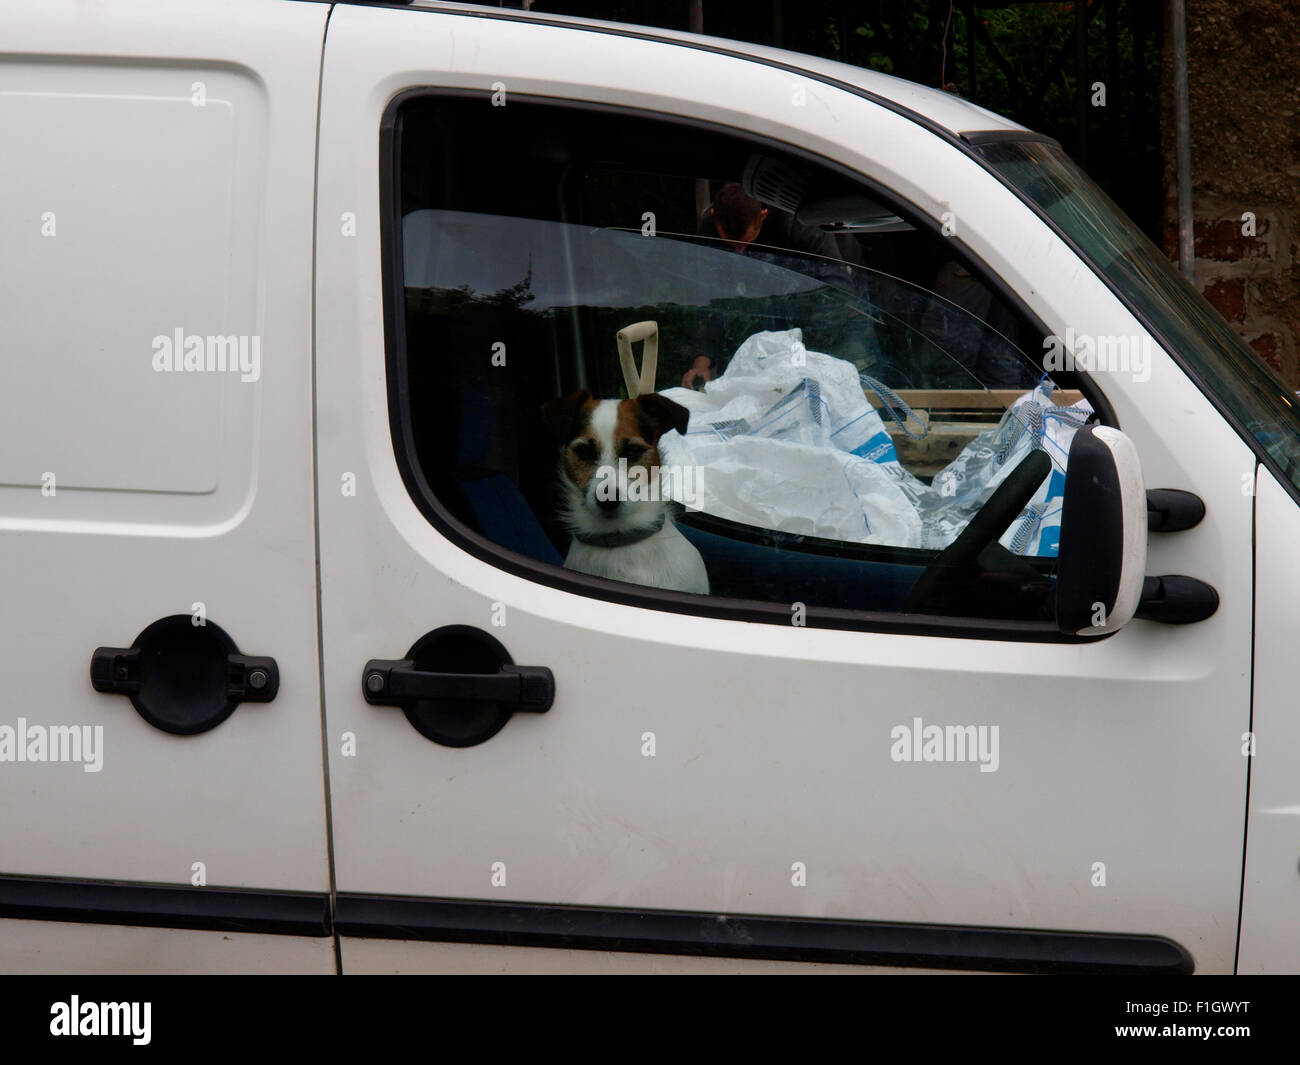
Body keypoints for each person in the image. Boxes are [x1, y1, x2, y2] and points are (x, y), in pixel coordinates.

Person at [681, 183, 845, 388]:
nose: (740, 251)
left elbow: (836, 290)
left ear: (764, 215)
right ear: (715, 216)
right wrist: (701, 362)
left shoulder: (796, 221)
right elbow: (709, 299)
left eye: (746, 242)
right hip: (765, 315)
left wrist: (803, 355)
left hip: (836, 309)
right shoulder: (709, 228)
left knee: (839, 385)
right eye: (732, 245)